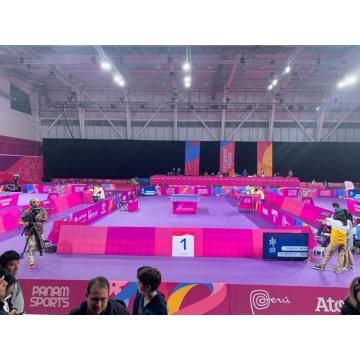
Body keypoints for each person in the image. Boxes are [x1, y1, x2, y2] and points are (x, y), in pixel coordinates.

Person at [19, 198, 47, 269]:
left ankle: (38, 250)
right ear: (32, 203)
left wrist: (41, 218)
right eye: (36, 202)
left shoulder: (42, 210)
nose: (38, 203)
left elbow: (46, 219)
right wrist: (25, 223)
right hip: (29, 231)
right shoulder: (27, 211)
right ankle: (31, 262)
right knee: (31, 245)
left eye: (38, 202)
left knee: (37, 246)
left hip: (39, 230)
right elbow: (20, 221)